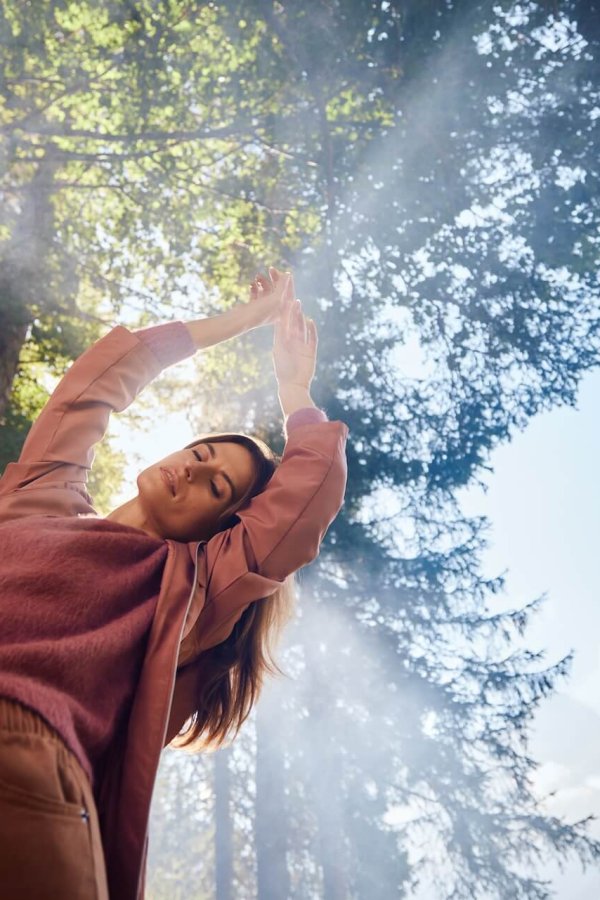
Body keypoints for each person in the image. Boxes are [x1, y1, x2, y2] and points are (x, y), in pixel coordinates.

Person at [0, 268, 349, 900]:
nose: (194, 468)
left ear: (215, 529)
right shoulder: (38, 503)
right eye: (200, 452)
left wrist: (293, 389)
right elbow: (100, 381)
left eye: (215, 486)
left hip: (21, 754)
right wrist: (242, 320)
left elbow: (307, 497)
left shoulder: (186, 588)